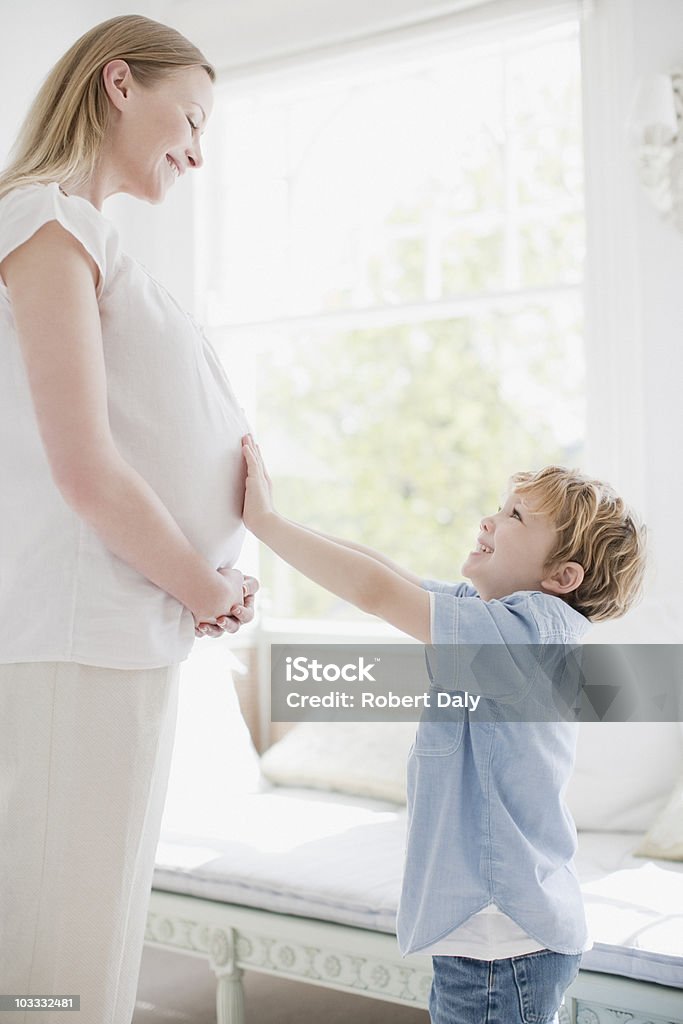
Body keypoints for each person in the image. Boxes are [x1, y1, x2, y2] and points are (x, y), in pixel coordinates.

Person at [0, 16, 257, 1024]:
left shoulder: (76, 229)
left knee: (81, 950)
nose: (197, 147)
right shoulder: (43, 219)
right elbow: (84, 466)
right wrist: (207, 586)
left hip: (120, 633)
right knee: (60, 967)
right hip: (84, 631)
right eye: (189, 116)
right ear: (118, 84)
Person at [241, 434, 648, 1024]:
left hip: (499, 938)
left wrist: (266, 525)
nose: (489, 518)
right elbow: (386, 574)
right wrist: (277, 518)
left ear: (561, 577)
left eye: (514, 516)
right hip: (495, 936)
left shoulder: (526, 637)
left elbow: (377, 592)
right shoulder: (497, 624)